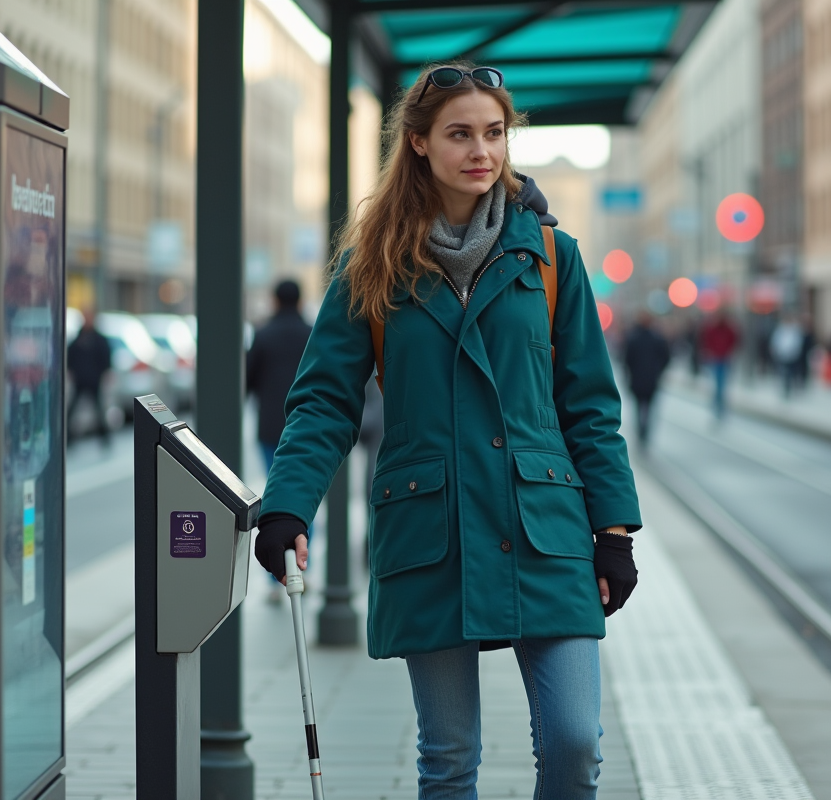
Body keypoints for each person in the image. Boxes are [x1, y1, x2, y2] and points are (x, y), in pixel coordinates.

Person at [252, 63, 640, 798]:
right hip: (430, 529)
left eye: (494, 133)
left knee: (574, 741)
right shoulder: (370, 265)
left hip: (546, 526)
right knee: (450, 756)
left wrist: (614, 533)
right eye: (460, 133)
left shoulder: (553, 256)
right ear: (421, 144)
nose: (481, 151)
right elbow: (325, 400)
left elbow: (590, 402)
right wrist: (288, 504)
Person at [246, 279, 314, 600]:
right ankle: (301, 568)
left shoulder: (263, 334)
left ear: (275, 300)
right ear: (300, 301)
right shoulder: (311, 333)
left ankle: (278, 579)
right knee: (302, 498)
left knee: (277, 494)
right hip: (307, 428)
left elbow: (249, 380)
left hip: (271, 426)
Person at [66, 308, 112, 446]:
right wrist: (71, 372)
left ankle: (104, 437)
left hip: (94, 379)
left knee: (98, 409)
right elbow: (71, 356)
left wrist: (106, 372)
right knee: (72, 410)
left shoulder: (98, 338)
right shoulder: (79, 337)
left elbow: (106, 357)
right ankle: (68, 438)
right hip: (80, 379)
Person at [624, 312, 670, 444]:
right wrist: (658, 370)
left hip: (637, 380)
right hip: (651, 380)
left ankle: (641, 431)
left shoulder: (633, 338)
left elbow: (627, 360)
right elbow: (666, 358)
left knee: (638, 408)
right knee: (648, 408)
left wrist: (630, 374)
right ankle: (645, 431)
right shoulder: (658, 339)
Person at [700, 311, 739, 419]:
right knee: (718, 383)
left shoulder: (729, 329)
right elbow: (707, 340)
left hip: (724, 359)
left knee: (722, 384)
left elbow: (735, 340)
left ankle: (719, 403)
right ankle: (717, 403)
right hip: (715, 359)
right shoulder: (712, 329)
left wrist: (729, 352)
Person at [769, 315, 804, 399]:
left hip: (792, 356)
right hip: (782, 355)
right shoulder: (780, 330)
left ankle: (789, 387)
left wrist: (795, 352)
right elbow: (775, 342)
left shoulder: (795, 331)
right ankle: (785, 388)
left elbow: (797, 343)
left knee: (790, 373)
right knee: (783, 372)